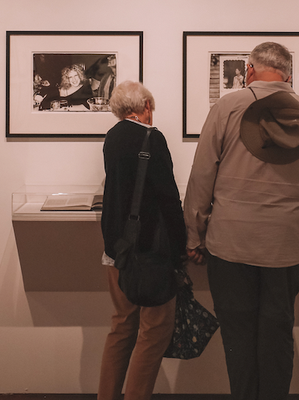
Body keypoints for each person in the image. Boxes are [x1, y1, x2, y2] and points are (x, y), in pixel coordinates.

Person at [184, 42, 299, 400]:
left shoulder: (227, 107)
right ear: (288, 75)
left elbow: (201, 177)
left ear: (249, 70)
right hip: (284, 250)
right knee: (277, 337)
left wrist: (194, 235)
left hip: (229, 247)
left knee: (238, 339)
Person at [98, 81, 186, 400]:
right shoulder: (152, 137)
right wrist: (181, 246)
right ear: (146, 106)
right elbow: (168, 198)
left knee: (121, 328)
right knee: (154, 333)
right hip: (149, 252)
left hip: (115, 251)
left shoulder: (112, 137)